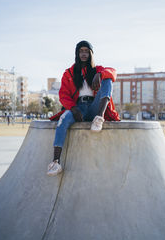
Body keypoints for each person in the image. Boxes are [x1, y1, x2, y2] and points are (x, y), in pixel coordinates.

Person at [47, 40, 120, 176]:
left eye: (87, 51)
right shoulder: (69, 73)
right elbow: (63, 95)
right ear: (77, 53)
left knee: (108, 80)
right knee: (63, 119)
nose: (84, 54)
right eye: (81, 51)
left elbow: (113, 72)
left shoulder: (98, 69)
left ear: (91, 54)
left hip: (94, 106)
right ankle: (55, 162)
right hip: (78, 107)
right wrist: (73, 109)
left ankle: (99, 118)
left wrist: (100, 75)